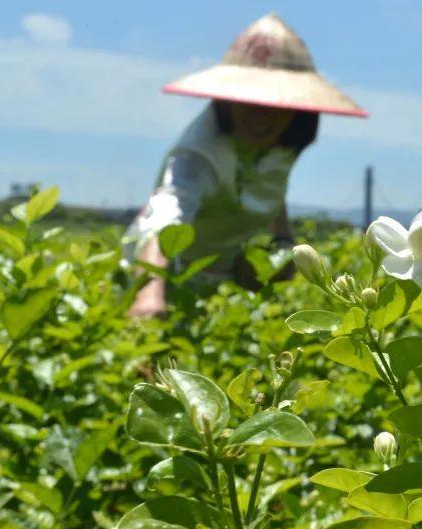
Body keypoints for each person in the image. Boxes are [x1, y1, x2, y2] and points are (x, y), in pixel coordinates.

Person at [125, 13, 366, 318]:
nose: (262, 113)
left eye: (275, 102)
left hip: (221, 283)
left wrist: (282, 241)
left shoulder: (281, 145)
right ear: (228, 100)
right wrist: (148, 294)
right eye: (250, 99)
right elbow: (166, 220)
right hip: (159, 278)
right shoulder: (196, 156)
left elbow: (271, 185)